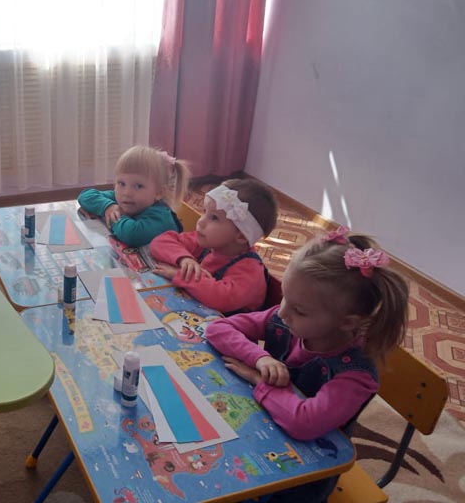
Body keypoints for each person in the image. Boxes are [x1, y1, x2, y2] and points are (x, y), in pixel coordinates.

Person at [205, 228, 409, 503]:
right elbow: (218, 329)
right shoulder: (286, 319)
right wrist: (260, 358)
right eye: (285, 297)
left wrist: (260, 380)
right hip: (260, 428)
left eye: (299, 310)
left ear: (347, 322)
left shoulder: (356, 375)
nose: (282, 312)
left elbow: (304, 422)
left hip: (299, 480)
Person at [150, 179, 278, 314]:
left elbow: (220, 297)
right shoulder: (207, 242)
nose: (201, 221)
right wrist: (184, 259)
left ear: (241, 236)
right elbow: (160, 242)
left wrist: (181, 275)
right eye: (205, 212)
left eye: (214, 218)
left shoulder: (250, 272)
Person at [77, 145, 190, 248]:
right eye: (121, 183)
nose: (127, 192)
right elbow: (86, 196)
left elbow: (132, 234)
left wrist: (113, 216)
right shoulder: (123, 198)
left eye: (138, 186)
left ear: (158, 193)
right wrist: (108, 207)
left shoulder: (161, 217)